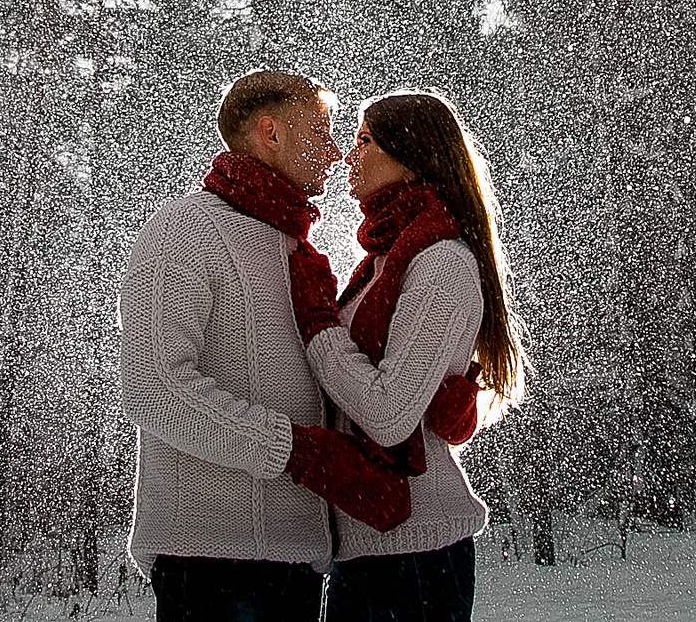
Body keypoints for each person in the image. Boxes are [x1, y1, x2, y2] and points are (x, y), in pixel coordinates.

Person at [120, 70, 420, 622]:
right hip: (212, 561)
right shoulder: (186, 230)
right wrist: (302, 454)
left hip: (298, 561)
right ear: (271, 133)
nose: (335, 152)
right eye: (323, 130)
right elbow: (153, 388)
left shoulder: (292, 244)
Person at [286, 90, 527, 622]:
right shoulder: (382, 262)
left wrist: (319, 324)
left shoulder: (442, 264)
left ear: (410, 154)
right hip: (369, 547)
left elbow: (388, 415)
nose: (350, 156)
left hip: (416, 556)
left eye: (365, 141)